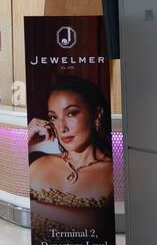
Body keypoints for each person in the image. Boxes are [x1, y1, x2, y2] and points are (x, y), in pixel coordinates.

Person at [27, 76, 114, 228]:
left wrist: (32, 206)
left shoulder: (113, 171)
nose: (62, 128)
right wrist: (26, 142)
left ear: (97, 114)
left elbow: (100, 222)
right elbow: (4, 191)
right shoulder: (38, 163)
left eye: (71, 113)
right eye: (53, 117)